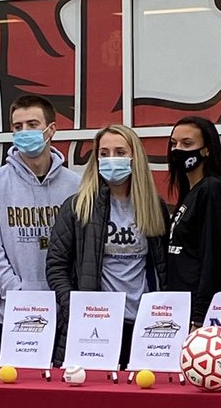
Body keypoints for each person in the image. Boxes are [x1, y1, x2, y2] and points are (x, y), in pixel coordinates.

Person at [46, 124, 169, 367]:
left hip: (144, 326)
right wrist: (75, 307)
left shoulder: (154, 206)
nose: (112, 159)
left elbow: (164, 266)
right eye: (104, 153)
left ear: (134, 157)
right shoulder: (77, 207)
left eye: (120, 152)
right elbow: (56, 267)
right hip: (96, 327)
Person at [0, 94, 80, 364]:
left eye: (32, 125)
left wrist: (67, 299)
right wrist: (18, 296)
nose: (24, 133)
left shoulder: (76, 186)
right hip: (11, 315)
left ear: (51, 130)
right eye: (17, 127)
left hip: (65, 315)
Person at [165, 117, 221, 326]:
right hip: (179, 306)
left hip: (197, 313)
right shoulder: (190, 192)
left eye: (187, 144)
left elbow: (213, 257)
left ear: (206, 150)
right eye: (174, 144)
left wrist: (199, 316)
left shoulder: (212, 189)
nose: (178, 150)